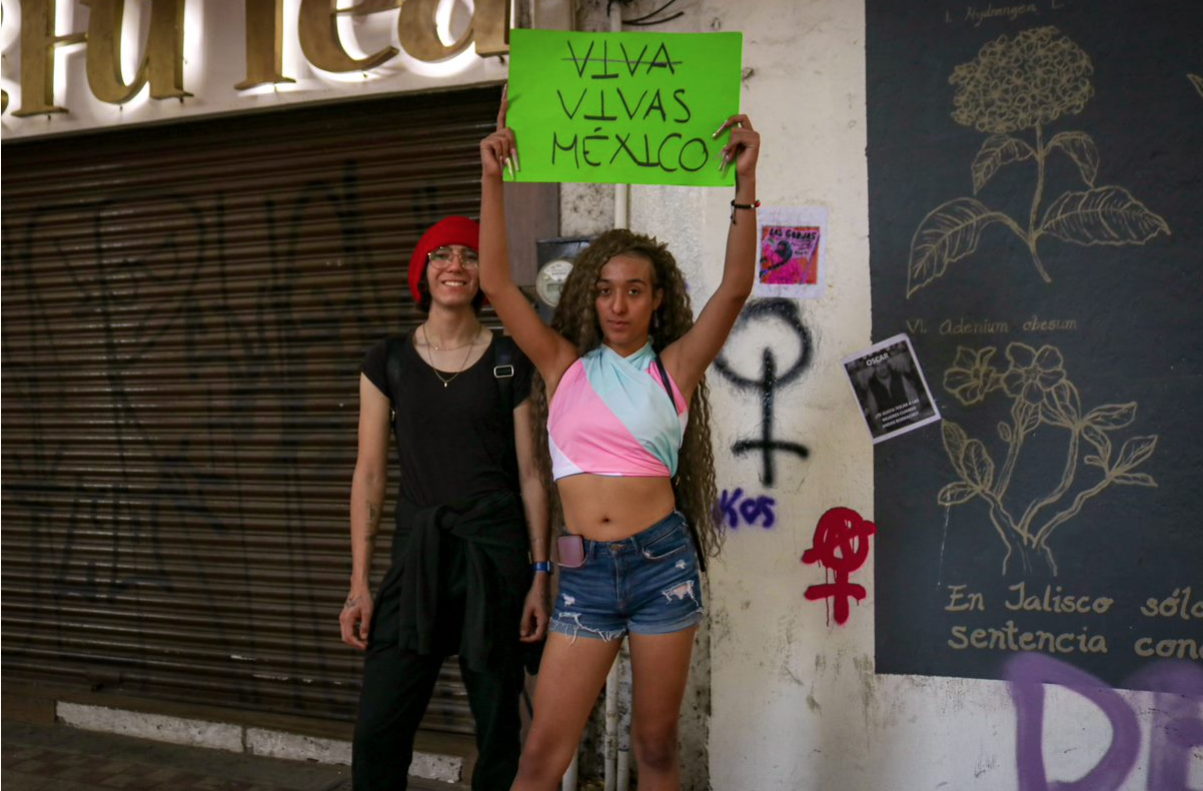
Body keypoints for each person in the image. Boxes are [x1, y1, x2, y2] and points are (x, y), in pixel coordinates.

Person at [478, 92, 761, 790]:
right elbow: (495, 283)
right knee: (541, 756)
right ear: (589, 295)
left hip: (662, 567)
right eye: (605, 290)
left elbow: (734, 287)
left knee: (655, 748)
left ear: (657, 299)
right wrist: (492, 177)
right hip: (585, 575)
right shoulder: (562, 366)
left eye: (635, 290)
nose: (617, 304)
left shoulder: (674, 369)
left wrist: (745, 181)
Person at [342, 216, 551, 791]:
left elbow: (533, 474)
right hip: (419, 559)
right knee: (379, 727)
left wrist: (540, 575)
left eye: (469, 255)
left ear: (485, 274)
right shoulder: (388, 360)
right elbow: (369, 474)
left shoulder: (509, 358)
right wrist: (360, 584)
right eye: (442, 254)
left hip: (494, 557)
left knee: (499, 729)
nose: (455, 264)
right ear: (423, 272)